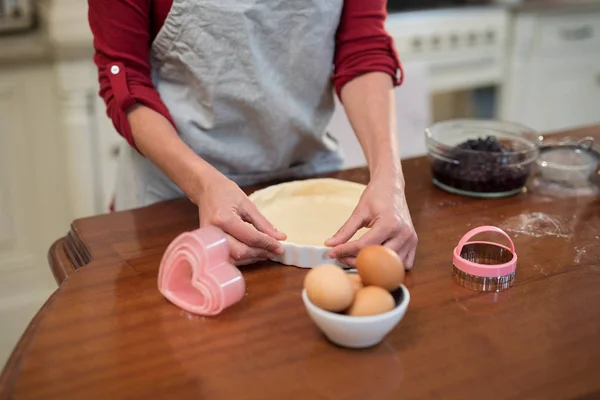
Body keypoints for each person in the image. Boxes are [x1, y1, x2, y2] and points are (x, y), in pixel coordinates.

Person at [88, 0, 418, 268]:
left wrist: (389, 177)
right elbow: (124, 77)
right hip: (175, 199)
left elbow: (361, 50)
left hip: (304, 180)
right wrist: (203, 186)